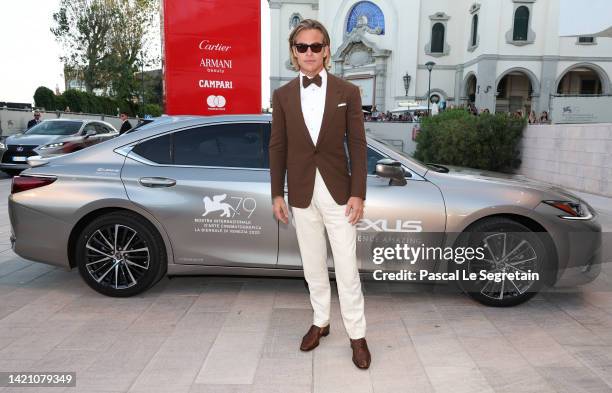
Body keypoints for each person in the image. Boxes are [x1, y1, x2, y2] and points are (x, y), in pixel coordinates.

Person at [269, 18, 371, 369]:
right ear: (294, 54)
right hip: (300, 193)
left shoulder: (348, 92)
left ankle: (357, 336)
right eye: (302, 47)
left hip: (339, 194)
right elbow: (277, 146)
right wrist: (277, 194)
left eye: (316, 46)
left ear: (326, 51)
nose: (309, 53)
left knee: (347, 269)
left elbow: (358, 146)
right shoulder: (281, 96)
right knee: (313, 266)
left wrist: (358, 192)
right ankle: (320, 322)